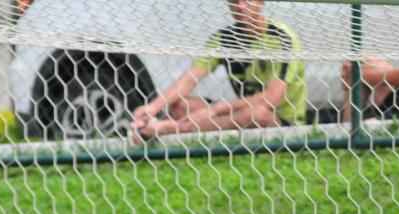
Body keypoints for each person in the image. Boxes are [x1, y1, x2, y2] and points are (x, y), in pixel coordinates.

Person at [131, 0, 306, 142]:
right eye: (234, 1)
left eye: (247, 0)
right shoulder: (224, 39)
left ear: (261, 2)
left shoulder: (281, 37)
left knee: (257, 114)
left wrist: (215, 110)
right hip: (237, 111)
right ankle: (170, 126)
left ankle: (174, 129)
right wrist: (152, 107)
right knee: (180, 106)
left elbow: (272, 98)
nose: (241, 6)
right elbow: (190, 78)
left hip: (280, 119)